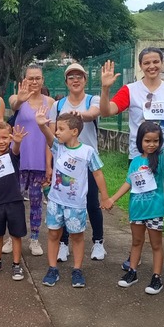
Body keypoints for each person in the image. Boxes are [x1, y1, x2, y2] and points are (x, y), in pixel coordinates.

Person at [100, 49, 164, 277]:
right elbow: (107, 111)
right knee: (141, 204)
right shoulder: (130, 90)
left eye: (155, 62)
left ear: (161, 63)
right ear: (140, 65)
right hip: (140, 157)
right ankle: (136, 255)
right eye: (147, 62)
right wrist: (105, 89)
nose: (152, 66)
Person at [104, 122, 164, 295]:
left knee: (156, 245)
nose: (151, 144)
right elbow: (128, 183)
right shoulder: (135, 161)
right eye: (147, 140)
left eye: (156, 141)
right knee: (136, 242)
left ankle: (156, 277)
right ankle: (132, 272)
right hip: (137, 210)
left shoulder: (161, 158)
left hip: (154, 211)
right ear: (140, 141)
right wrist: (112, 199)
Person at [34, 108, 110, 288]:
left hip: (76, 204)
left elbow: (98, 174)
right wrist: (41, 125)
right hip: (55, 202)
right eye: (57, 129)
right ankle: (52, 268)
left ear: (74, 131)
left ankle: (77, 269)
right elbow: (47, 135)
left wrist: (105, 197)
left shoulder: (88, 151)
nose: (57, 132)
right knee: (53, 234)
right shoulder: (57, 147)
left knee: (77, 236)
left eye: (61, 129)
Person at [49, 62, 105, 262]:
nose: (75, 80)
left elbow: (93, 114)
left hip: (87, 161)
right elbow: (52, 137)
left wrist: (79, 116)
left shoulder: (92, 100)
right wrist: (49, 164)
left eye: (79, 76)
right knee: (64, 202)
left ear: (85, 80)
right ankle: (64, 243)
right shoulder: (57, 105)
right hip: (64, 163)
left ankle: (98, 241)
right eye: (71, 77)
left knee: (92, 203)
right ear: (66, 82)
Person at [9, 66, 54, 257]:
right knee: (14, 200)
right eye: (30, 78)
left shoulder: (50, 103)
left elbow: (51, 138)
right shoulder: (17, 98)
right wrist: (21, 98)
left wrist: (49, 165)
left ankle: (34, 238)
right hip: (18, 158)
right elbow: (14, 105)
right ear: (24, 80)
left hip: (39, 161)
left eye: (37, 78)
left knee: (36, 201)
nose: (34, 82)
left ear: (43, 80)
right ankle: (12, 236)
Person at [0, 121, 29, 281]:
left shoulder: (12, 155)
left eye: (4, 137)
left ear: (10, 138)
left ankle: (16, 265)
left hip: (14, 202)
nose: (1, 141)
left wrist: (17, 142)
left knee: (16, 235)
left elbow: (16, 150)